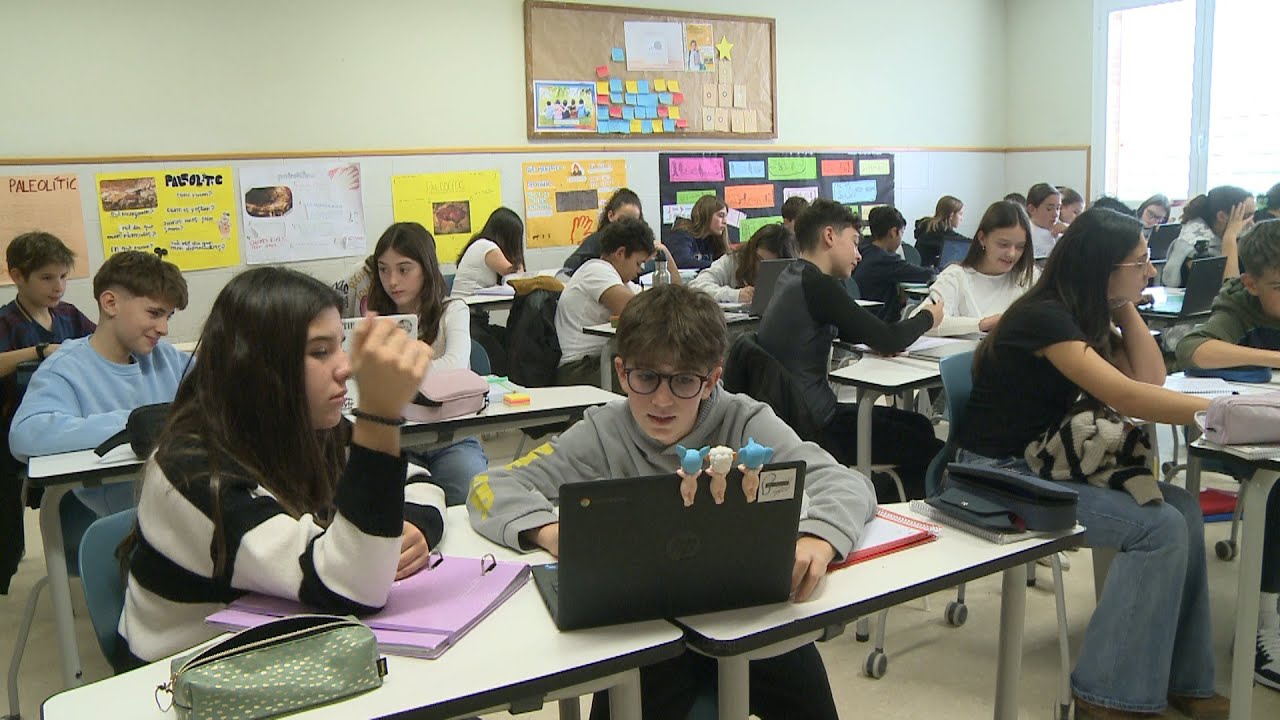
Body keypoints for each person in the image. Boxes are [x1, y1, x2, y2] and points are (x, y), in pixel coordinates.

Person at [468, 283, 875, 720]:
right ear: (622, 373)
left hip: (745, 615)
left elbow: (846, 484)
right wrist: (549, 531)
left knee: (808, 694)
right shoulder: (604, 431)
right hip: (643, 627)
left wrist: (818, 539)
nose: (662, 400)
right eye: (646, 378)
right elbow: (488, 488)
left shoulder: (745, 420)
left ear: (712, 379)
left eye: (683, 380)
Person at [956, 208, 1227, 719]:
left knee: (1184, 511)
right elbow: (1130, 397)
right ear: (1104, 267)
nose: (1150, 272)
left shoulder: (1085, 312)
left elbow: (1150, 379)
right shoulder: (1045, 317)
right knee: (1160, 528)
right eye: (1140, 262)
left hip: (1046, 465)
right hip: (995, 474)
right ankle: (1104, 697)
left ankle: (1183, 679)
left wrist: (1124, 306)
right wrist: (1226, 413)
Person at [117, 267, 445, 667]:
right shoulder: (192, 473)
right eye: (320, 352)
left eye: (340, 346)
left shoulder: (305, 423)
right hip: (194, 675)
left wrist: (412, 525)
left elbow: (418, 480)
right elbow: (354, 586)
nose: (345, 367)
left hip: (285, 644)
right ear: (259, 366)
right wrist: (379, 418)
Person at [758, 199, 944, 502]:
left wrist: (879, 338)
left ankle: (888, 490)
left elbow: (860, 331)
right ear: (830, 236)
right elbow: (888, 339)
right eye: (855, 243)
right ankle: (890, 504)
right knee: (932, 447)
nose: (859, 255)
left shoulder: (793, 275)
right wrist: (928, 317)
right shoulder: (819, 285)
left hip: (798, 414)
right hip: (818, 426)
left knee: (920, 424)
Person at [1175, 218, 1280, 693]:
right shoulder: (1238, 304)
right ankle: (1264, 624)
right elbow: (1193, 351)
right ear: (1251, 283)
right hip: (1242, 437)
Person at [10, 250, 189, 464]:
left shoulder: (169, 360)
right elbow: (25, 435)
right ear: (110, 303)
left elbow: (221, 399)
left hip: (172, 491)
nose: (164, 329)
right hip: (109, 495)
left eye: (168, 316)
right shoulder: (64, 369)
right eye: (154, 313)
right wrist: (139, 424)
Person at [363, 222, 487, 506]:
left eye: (403, 269)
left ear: (426, 269)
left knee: (471, 496)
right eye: (383, 269)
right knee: (388, 507)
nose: (392, 281)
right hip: (396, 440)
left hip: (450, 436)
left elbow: (457, 367)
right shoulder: (375, 320)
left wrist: (397, 370)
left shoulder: (452, 310)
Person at [0, 231, 96, 593]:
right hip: (12, 430)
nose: (58, 286)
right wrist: (38, 351)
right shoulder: (7, 322)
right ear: (17, 276)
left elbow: (98, 343)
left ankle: (82, 563)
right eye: (46, 278)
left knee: (78, 499)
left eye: (63, 277)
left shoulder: (69, 315)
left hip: (63, 427)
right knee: (7, 524)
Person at [555, 218, 678, 387]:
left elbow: (677, 295)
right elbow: (637, 311)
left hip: (603, 362)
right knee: (662, 379)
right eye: (638, 263)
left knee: (675, 371)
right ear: (620, 253)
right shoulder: (595, 269)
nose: (640, 270)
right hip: (580, 369)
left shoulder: (622, 281)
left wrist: (666, 254)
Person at [908, 201, 1037, 336]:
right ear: (982, 238)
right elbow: (918, 322)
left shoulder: (1030, 276)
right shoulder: (956, 276)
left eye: (1020, 246)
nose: (1011, 253)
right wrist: (982, 324)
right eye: (1003, 244)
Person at [852, 206, 936, 321]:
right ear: (893, 232)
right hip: (880, 322)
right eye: (901, 232)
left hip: (863, 317)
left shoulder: (863, 249)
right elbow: (924, 274)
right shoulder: (884, 260)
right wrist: (941, 269)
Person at [1162, 185, 1255, 287]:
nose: (1251, 223)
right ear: (1222, 216)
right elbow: (1231, 293)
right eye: (1245, 216)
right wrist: (1230, 238)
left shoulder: (1240, 240)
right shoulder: (1196, 250)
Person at [689, 223, 796, 304]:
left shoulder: (793, 270)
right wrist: (736, 295)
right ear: (752, 250)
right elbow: (695, 287)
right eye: (758, 259)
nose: (760, 267)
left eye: (770, 265)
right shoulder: (734, 260)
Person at [560, 188, 643, 277]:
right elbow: (569, 267)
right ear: (611, 216)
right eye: (622, 220)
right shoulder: (599, 239)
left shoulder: (637, 244)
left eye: (633, 222)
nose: (628, 226)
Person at [450, 207, 525, 297]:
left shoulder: (480, 242)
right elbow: (515, 276)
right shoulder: (488, 247)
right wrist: (517, 256)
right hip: (466, 305)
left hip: (466, 304)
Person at [666, 195, 730, 270]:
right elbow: (682, 261)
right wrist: (719, 266)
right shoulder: (682, 234)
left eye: (726, 216)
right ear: (706, 215)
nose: (725, 221)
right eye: (721, 216)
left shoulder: (713, 239)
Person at [912, 195, 967, 268]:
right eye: (960, 214)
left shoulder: (928, 228)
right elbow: (964, 242)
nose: (961, 218)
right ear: (951, 215)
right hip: (928, 275)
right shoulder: (940, 233)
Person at [1026, 183, 1064, 258]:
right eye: (1049, 209)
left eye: (1058, 208)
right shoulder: (1026, 233)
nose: (1056, 214)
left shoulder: (1062, 230)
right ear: (1032, 209)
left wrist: (1069, 232)